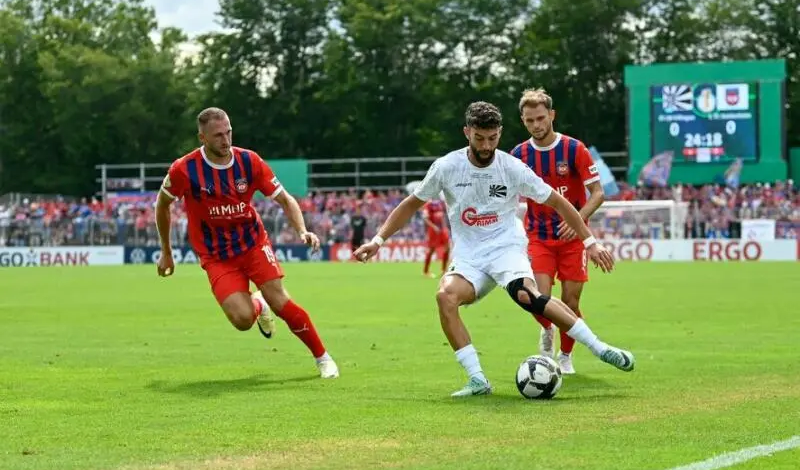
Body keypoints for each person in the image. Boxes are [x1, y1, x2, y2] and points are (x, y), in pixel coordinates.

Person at [354, 101, 634, 397]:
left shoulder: (512, 167)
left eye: (492, 138)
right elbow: (412, 203)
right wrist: (378, 240)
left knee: (529, 296)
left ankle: (600, 348)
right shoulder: (447, 167)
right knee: (444, 297)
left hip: (506, 249)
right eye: (479, 138)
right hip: (469, 257)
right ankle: (477, 380)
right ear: (467, 133)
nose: (486, 146)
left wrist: (589, 242)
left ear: (499, 133)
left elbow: (559, 202)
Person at [154, 107, 339, 379]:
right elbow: (162, 205)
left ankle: (323, 358)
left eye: (228, 132)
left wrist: (302, 230)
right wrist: (166, 252)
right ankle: (257, 305)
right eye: (218, 135)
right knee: (242, 320)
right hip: (216, 255)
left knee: (280, 300)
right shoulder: (184, 169)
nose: (225, 140)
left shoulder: (249, 161)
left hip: (252, 243)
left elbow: (285, 199)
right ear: (202, 138)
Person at [511, 88, 605, 375]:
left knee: (571, 302)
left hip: (573, 238)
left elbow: (598, 193)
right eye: (529, 121)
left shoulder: (575, 149)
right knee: (539, 298)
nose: (536, 125)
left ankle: (565, 355)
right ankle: (547, 329)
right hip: (538, 237)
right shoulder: (518, 155)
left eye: (540, 118)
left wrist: (578, 218)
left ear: (552, 115)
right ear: (523, 121)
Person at [422, 198, 450, 278]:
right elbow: (425, 218)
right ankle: (426, 271)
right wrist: (434, 227)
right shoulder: (428, 204)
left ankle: (444, 270)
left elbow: (442, 216)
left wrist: (445, 226)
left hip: (442, 229)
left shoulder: (441, 202)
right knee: (431, 250)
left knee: (447, 248)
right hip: (434, 230)